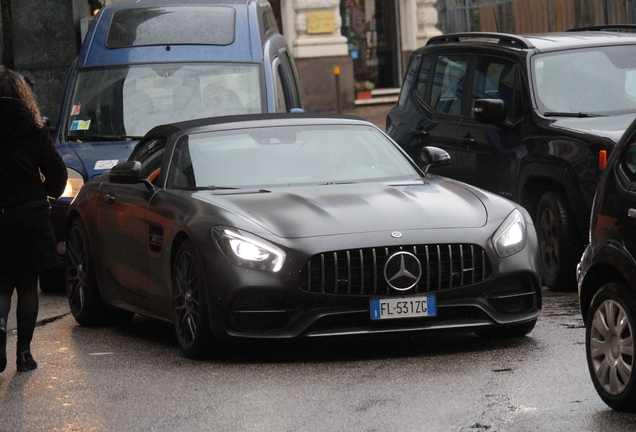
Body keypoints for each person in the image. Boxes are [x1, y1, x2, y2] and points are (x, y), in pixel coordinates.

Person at [0, 67, 67, 372]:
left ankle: (0, 332)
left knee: (1, 285)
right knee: (27, 285)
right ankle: (24, 354)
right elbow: (57, 172)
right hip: (29, 212)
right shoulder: (33, 127)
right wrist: (46, 193)